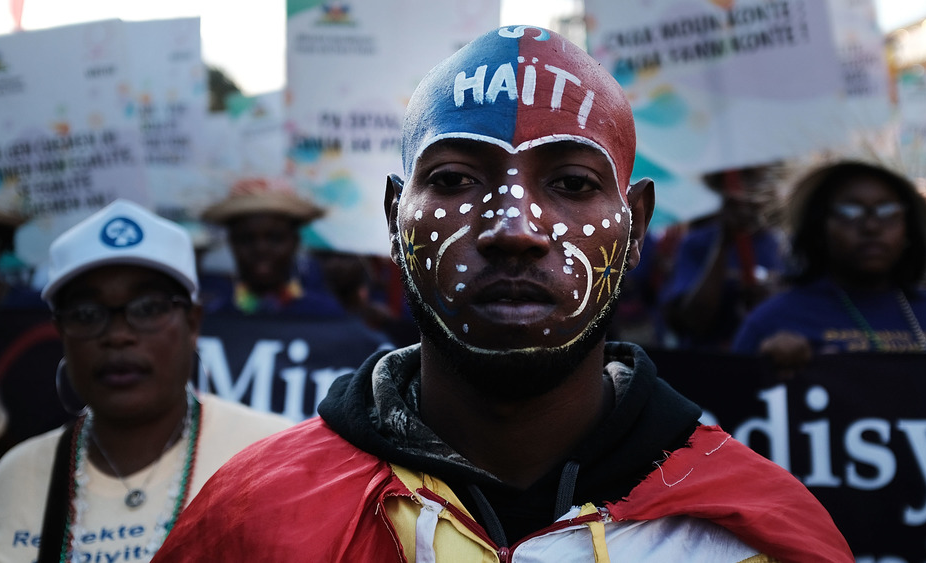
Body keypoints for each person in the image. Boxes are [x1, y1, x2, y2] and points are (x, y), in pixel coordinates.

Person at [154, 26, 852, 562]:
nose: (514, 228)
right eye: (456, 179)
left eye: (573, 184)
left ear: (636, 224)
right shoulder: (253, 517)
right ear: (397, 217)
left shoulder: (751, 534)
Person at [0, 199, 292, 562]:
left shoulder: (273, 457)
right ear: (61, 331)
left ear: (193, 323)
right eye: (87, 313)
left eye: (149, 308)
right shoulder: (15, 476)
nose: (118, 336)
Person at [732, 160, 926, 369]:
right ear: (819, 228)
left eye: (887, 210)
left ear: (908, 228)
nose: (871, 227)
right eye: (850, 211)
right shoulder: (775, 320)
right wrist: (764, 370)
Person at [659, 165, 784, 350]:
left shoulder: (778, 243)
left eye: (760, 178)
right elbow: (694, 319)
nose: (754, 187)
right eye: (745, 177)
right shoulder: (697, 243)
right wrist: (724, 242)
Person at [200, 176, 347, 317]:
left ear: (295, 242)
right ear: (232, 243)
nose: (261, 250)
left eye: (275, 238)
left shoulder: (326, 314)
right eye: (247, 239)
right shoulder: (211, 315)